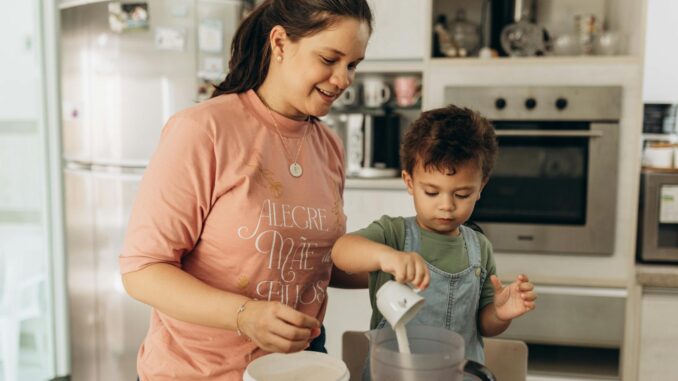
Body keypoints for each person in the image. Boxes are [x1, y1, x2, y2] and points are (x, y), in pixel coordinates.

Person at [119, 1, 373, 379]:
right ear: (280, 43)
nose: (343, 79)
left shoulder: (329, 147)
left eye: (352, 65)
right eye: (329, 59)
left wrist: (400, 264)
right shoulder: (203, 131)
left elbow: (308, 260)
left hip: (295, 368)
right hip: (197, 371)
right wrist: (244, 315)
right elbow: (142, 269)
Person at [331, 105, 537, 366]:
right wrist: (386, 257)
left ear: (481, 187)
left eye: (462, 195)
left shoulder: (479, 247)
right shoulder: (394, 234)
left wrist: (500, 313)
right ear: (409, 182)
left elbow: (484, 326)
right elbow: (341, 252)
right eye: (431, 192)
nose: (446, 206)